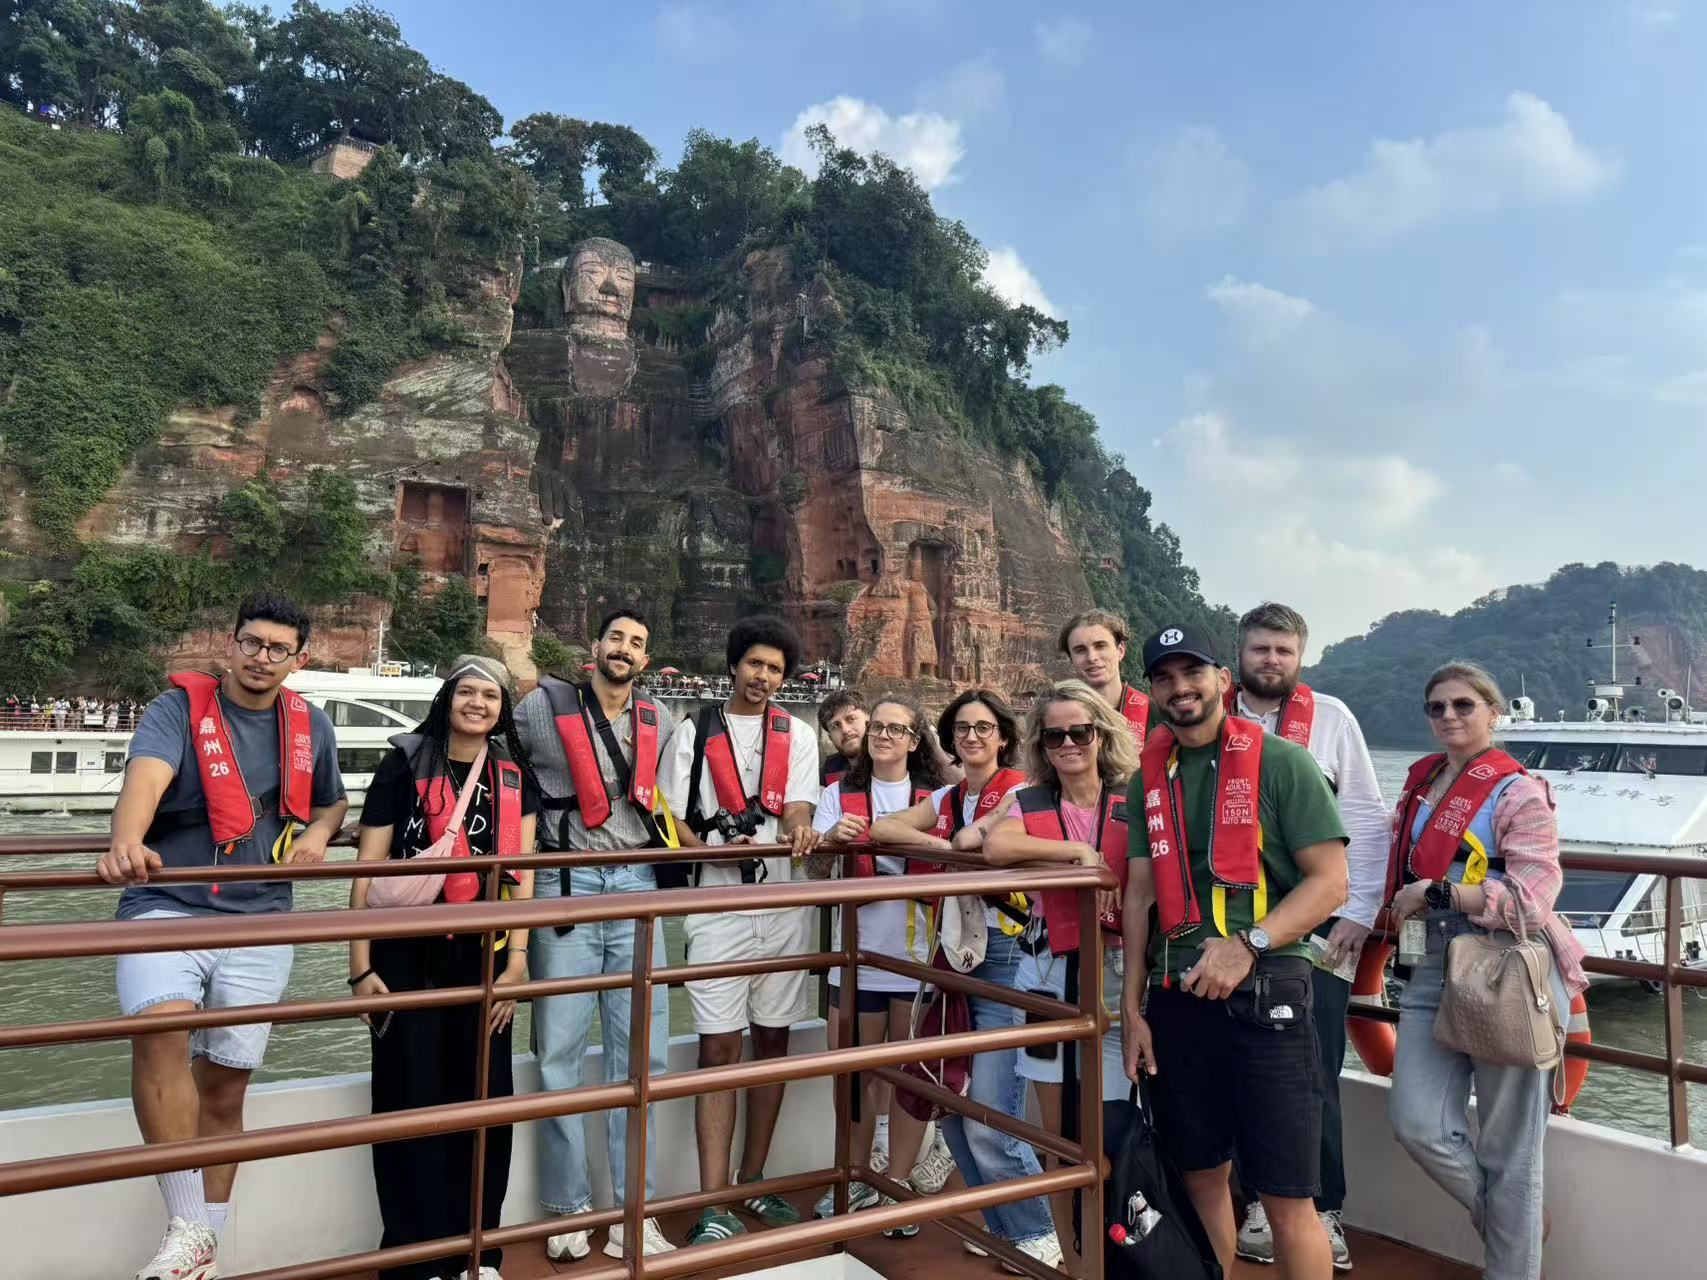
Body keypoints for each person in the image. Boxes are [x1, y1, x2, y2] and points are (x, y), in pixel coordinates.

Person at [96, 591, 347, 1280]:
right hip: (168, 902)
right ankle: (188, 1230)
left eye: (278, 649)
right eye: (252, 642)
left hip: (261, 913)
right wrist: (124, 842)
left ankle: (198, 1253)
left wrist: (322, 835)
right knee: (161, 1031)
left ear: (298, 659)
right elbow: (144, 782)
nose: (262, 658)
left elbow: (332, 799)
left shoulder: (310, 725)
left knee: (227, 1087)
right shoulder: (176, 710)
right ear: (229, 644)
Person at [1120, 624, 1348, 1280]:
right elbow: (1138, 899)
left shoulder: (1281, 763)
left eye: (1192, 673)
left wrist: (1246, 945)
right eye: (1163, 676)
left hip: (1266, 995)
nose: (1178, 688)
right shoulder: (1148, 779)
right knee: (1197, 1177)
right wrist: (1131, 1011)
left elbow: (1330, 882)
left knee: (1285, 1197)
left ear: (1223, 680)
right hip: (1176, 1001)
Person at [1385, 662, 1588, 1280]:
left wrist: (1443, 893)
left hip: (1503, 969)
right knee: (1416, 1123)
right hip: (1428, 968)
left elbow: (1533, 895)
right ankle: (1512, 1221)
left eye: (1464, 705)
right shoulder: (1421, 786)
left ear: (1494, 714)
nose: (1449, 716)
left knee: (1511, 1150)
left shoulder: (1517, 791)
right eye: (1437, 707)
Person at [350, 654, 539, 1280]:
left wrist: (516, 967)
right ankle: (412, 1257)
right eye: (468, 692)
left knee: (484, 1105)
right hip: (406, 959)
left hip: (483, 960)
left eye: (490, 695)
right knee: (410, 1104)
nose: (478, 703)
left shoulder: (514, 776)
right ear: (447, 698)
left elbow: (523, 880)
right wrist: (360, 967)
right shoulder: (403, 765)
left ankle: (475, 1252)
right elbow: (367, 873)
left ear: (501, 709)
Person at [870, 688, 1060, 1263]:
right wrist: (941, 843)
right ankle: (1005, 1228)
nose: (971, 738)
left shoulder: (1022, 792)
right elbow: (885, 828)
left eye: (983, 729)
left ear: (1004, 737)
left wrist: (952, 844)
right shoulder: (952, 796)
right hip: (955, 957)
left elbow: (984, 842)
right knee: (950, 1098)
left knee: (991, 1111)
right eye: (961, 730)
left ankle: (1038, 1232)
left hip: (1004, 958)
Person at [1227, 604, 1388, 1272]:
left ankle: (1322, 1210)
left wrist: (1360, 911)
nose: (1270, 660)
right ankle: (1255, 1201)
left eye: (1283, 651)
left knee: (1311, 1069)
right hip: (1228, 923)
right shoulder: (1211, 715)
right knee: (1233, 1065)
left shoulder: (1331, 720)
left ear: (1300, 657)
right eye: (1260, 648)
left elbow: (1365, 819)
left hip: (1318, 925)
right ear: (1241, 652)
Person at [517, 609, 677, 1261]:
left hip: (637, 886)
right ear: (596, 647)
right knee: (558, 1049)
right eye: (616, 638)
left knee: (642, 1056)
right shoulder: (539, 709)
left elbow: (667, 807)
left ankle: (634, 1210)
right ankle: (567, 1209)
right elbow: (490, 764)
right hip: (568, 888)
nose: (625, 649)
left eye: (637, 642)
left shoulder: (659, 722)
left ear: (644, 660)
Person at [659, 616, 822, 1246]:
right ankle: (712, 1198)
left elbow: (799, 805)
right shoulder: (692, 733)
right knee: (718, 1046)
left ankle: (755, 1180)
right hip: (718, 902)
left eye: (776, 669)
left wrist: (799, 829)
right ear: (734, 665)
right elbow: (672, 816)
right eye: (755, 664)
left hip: (784, 899)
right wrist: (714, 850)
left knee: (773, 1040)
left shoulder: (798, 735)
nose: (764, 677)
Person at [980, 680, 1135, 1265]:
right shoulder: (1031, 803)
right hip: (1046, 972)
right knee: (1060, 1138)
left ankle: (1114, 1254)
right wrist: (1079, 857)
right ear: (1042, 746)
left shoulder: (1135, 798)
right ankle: (1075, 1262)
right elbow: (998, 849)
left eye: (1080, 731)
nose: (1069, 743)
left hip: (1121, 973)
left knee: (1112, 1130)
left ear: (1101, 733)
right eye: (1055, 735)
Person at [804, 693, 951, 1234]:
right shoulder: (837, 794)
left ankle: (900, 1184)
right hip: (859, 955)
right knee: (857, 1073)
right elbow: (818, 872)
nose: (883, 736)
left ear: (915, 739)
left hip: (918, 954)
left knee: (910, 1074)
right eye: (878, 728)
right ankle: (855, 1176)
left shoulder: (936, 797)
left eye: (896, 728)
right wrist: (830, 842)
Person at [1059, 609, 1151, 745]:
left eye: (1100, 646)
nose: (1091, 657)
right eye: (1080, 650)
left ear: (1120, 651)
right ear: (1071, 659)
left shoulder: (1151, 712)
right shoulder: (1059, 715)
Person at [817, 688, 868, 786]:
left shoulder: (895, 765)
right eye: (835, 726)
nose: (845, 730)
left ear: (870, 720)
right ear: (830, 738)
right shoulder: (827, 773)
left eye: (851, 719)